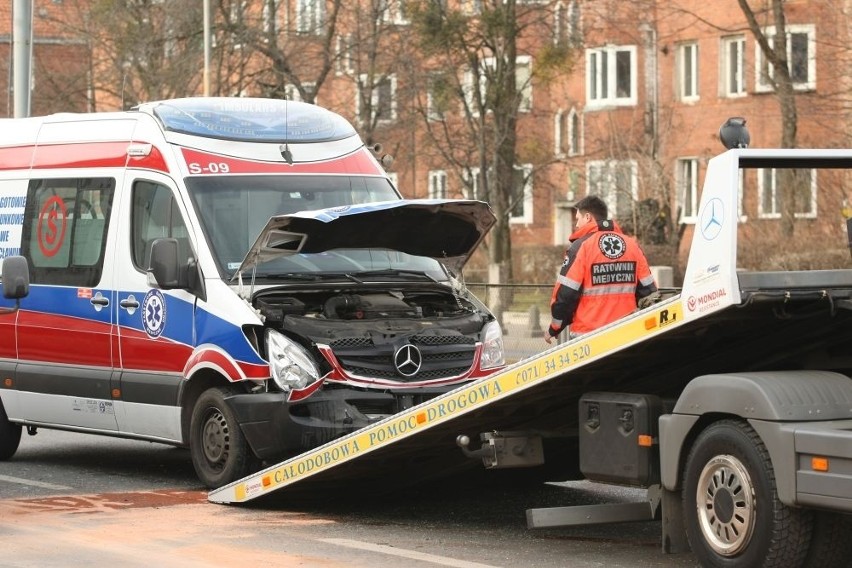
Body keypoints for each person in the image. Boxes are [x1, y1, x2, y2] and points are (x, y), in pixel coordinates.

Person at [545, 195, 657, 344]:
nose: (576, 225)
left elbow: (566, 295)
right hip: (626, 334)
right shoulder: (632, 245)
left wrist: (554, 328)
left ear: (588, 217)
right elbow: (649, 293)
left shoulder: (580, 248)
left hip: (589, 337)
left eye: (578, 219)